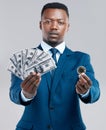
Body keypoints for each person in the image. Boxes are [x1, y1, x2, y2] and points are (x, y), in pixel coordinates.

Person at [9, 2, 100, 130]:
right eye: (48, 21)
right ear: (40, 25)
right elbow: (14, 93)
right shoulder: (24, 58)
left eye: (60, 22)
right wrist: (26, 94)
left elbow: (95, 91)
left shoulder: (81, 59)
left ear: (68, 26)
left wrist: (86, 91)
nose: (54, 27)